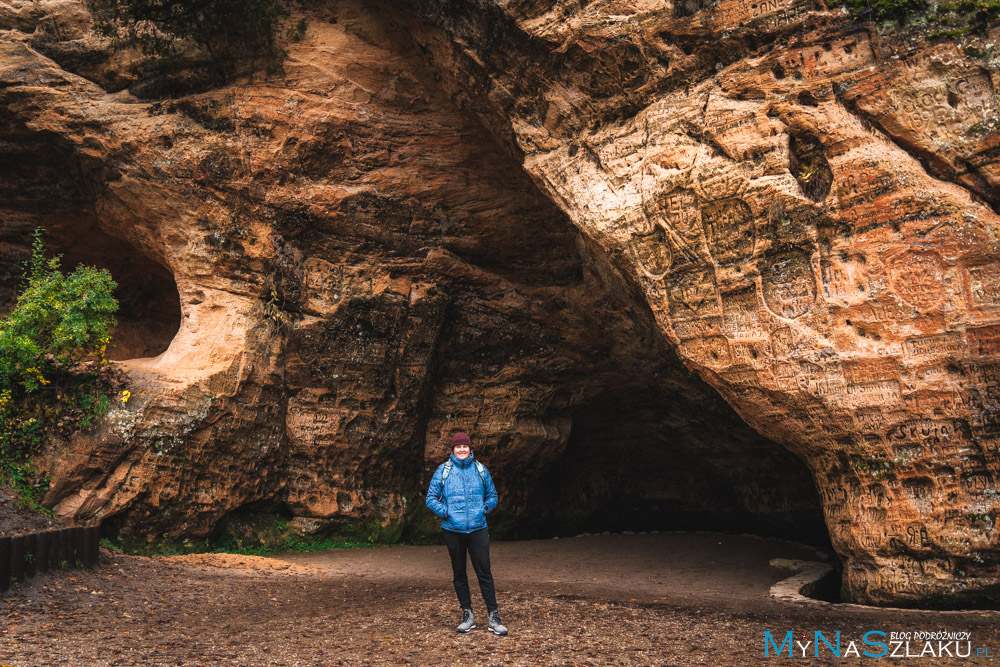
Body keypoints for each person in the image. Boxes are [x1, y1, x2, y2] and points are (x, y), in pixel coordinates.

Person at [425, 432, 508, 635]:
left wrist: (484, 509)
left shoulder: (480, 469)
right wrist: (446, 513)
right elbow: (431, 498)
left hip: (478, 528)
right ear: (452, 450)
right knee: (459, 572)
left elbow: (493, 495)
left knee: (484, 572)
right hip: (453, 530)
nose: (462, 449)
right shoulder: (443, 470)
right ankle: (467, 614)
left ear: (470, 449)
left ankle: (493, 616)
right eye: (458, 446)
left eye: (465, 446)